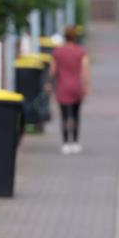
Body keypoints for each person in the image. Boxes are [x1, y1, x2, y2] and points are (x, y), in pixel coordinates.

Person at [47, 26, 89, 154]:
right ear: (75, 37)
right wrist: (86, 87)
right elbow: (85, 71)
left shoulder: (57, 52)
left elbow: (52, 70)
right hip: (76, 87)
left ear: (64, 37)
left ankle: (65, 143)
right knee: (76, 115)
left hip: (62, 87)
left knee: (65, 116)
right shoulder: (81, 52)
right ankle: (75, 142)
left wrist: (48, 83)